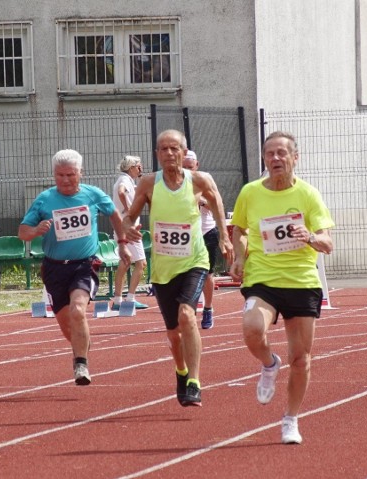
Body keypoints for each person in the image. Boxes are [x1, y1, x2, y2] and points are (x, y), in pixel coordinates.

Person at [229, 131, 334, 445]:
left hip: (301, 282)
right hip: (263, 278)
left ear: (294, 158)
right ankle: (268, 363)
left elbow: (328, 242)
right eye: (269, 154)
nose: (275, 159)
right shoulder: (250, 192)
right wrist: (239, 256)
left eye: (281, 154)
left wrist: (311, 237)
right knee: (251, 328)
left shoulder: (309, 195)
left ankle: (290, 419)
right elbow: (241, 229)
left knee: (300, 359)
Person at [122, 130, 233, 407]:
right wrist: (126, 227)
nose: (169, 153)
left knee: (187, 315)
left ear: (183, 152)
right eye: (163, 149)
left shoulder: (199, 180)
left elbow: (217, 202)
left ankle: (194, 380)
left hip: (193, 261)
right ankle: (181, 371)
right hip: (163, 267)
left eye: (174, 148)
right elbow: (130, 215)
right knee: (173, 334)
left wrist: (224, 235)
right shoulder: (148, 183)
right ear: (157, 154)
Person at [19, 149, 135, 386]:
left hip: (84, 264)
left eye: (70, 175)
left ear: (81, 173)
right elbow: (22, 232)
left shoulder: (93, 195)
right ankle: (81, 346)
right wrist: (36, 230)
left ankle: (80, 363)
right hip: (54, 268)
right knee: (67, 325)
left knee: (78, 310)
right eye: (60, 175)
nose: (65, 180)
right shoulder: (44, 199)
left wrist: (122, 244)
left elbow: (114, 215)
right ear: (53, 174)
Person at [181, 150, 220, 329]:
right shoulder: (175, 183)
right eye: (184, 167)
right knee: (185, 274)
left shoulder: (206, 180)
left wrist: (202, 201)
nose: (188, 171)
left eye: (190, 167)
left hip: (206, 231)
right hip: (185, 234)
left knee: (208, 274)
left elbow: (217, 205)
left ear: (197, 165)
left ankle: (208, 308)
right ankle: (189, 310)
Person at [110, 155, 149, 311]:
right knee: (141, 263)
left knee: (125, 263)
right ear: (131, 167)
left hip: (122, 227)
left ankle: (118, 299)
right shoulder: (125, 180)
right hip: (129, 228)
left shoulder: (125, 180)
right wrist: (128, 208)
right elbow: (121, 192)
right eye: (138, 166)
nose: (140, 169)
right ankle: (130, 299)